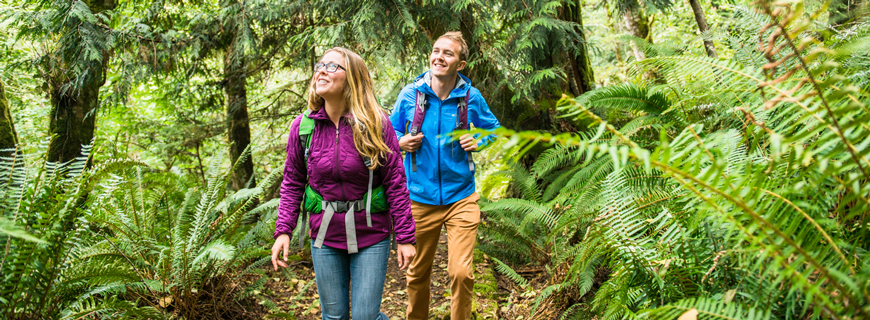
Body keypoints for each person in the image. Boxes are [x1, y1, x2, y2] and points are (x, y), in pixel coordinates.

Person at [271, 47, 417, 320]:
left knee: (365, 316)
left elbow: (395, 182)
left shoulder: (375, 124)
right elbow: (292, 182)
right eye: (320, 65)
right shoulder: (303, 128)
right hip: (325, 234)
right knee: (333, 317)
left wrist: (406, 238)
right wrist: (283, 231)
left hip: (371, 233)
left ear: (352, 80)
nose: (322, 70)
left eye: (333, 66)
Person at [390, 32, 501, 320]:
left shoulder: (470, 97)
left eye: (448, 53)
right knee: (417, 274)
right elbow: (388, 135)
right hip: (418, 198)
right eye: (436, 51)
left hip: (461, 197)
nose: (439, 56)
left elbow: (493, 129)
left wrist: (479, 140)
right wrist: (401, 142)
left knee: (461, 272)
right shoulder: (409, 95)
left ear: (460, 64)